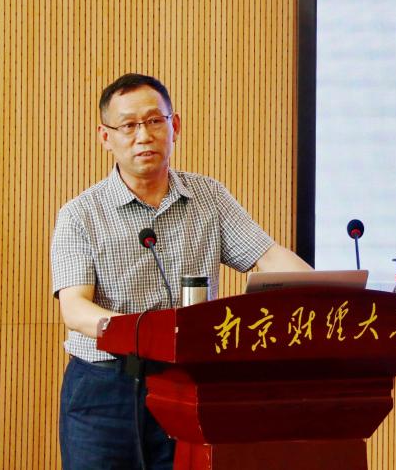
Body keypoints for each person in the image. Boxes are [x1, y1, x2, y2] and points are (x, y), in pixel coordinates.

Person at [51, 73, 311, 469]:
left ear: (175, 126)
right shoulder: (80, 214)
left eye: (155, 121)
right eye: (129, 125)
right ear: (105, 137)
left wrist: (332, 293)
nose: (144, 136)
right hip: (104, 390)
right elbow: (75, 309)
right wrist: (148, 335)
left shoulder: (209, 196)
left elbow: (268, 256)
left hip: (188, 384)